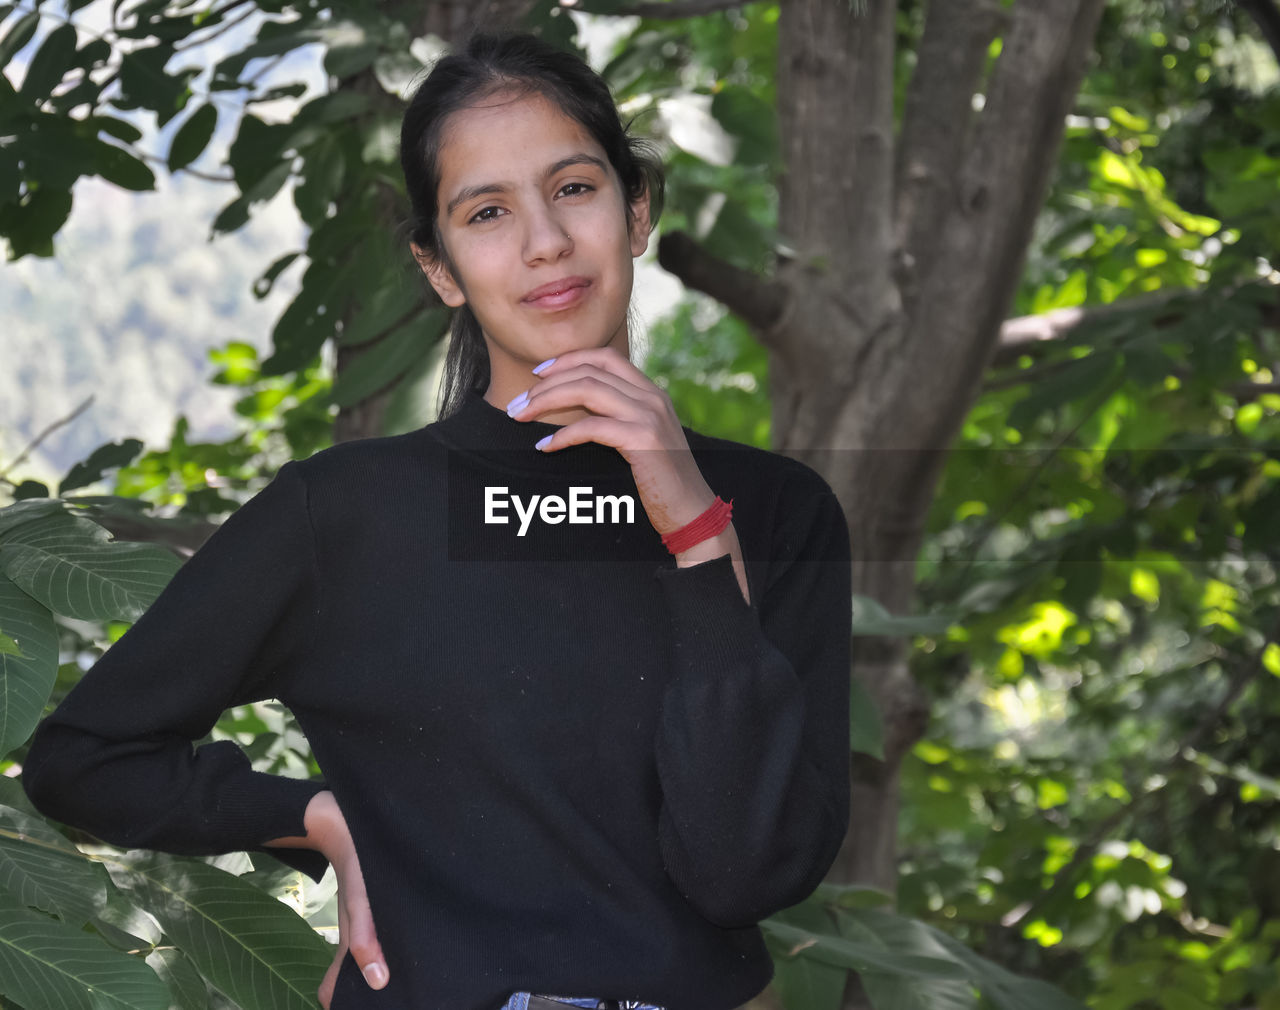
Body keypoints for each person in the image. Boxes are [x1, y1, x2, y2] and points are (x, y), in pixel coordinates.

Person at [22, 28, 853, 1010]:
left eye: (575, 188)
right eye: (487, 210)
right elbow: (82, 758)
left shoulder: (776, 510)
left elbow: (742, 873)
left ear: (635, 211)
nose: (543, 239)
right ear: (441, 268)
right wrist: (309, 813)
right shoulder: (344, 515)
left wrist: (693, 530)